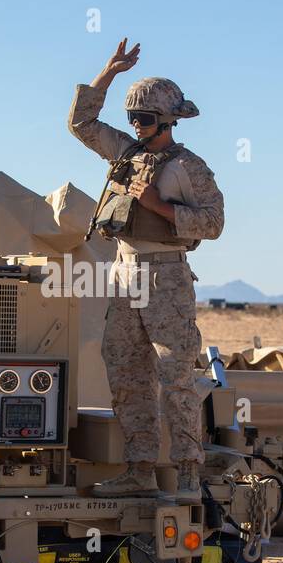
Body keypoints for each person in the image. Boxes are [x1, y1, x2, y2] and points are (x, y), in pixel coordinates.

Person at [68, 38, 225, 497]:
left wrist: (159, 206)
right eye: (133, 117)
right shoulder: (124, 151)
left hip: (166, 275)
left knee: (175, 375)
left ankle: (189, 473)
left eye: (146, 119)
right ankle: (140, 470)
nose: (137, 125)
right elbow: (80, 123)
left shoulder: (190, 167)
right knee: (125, 370)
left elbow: (214, 223)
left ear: (169, 121)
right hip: (123, 271)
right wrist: (108, 72)